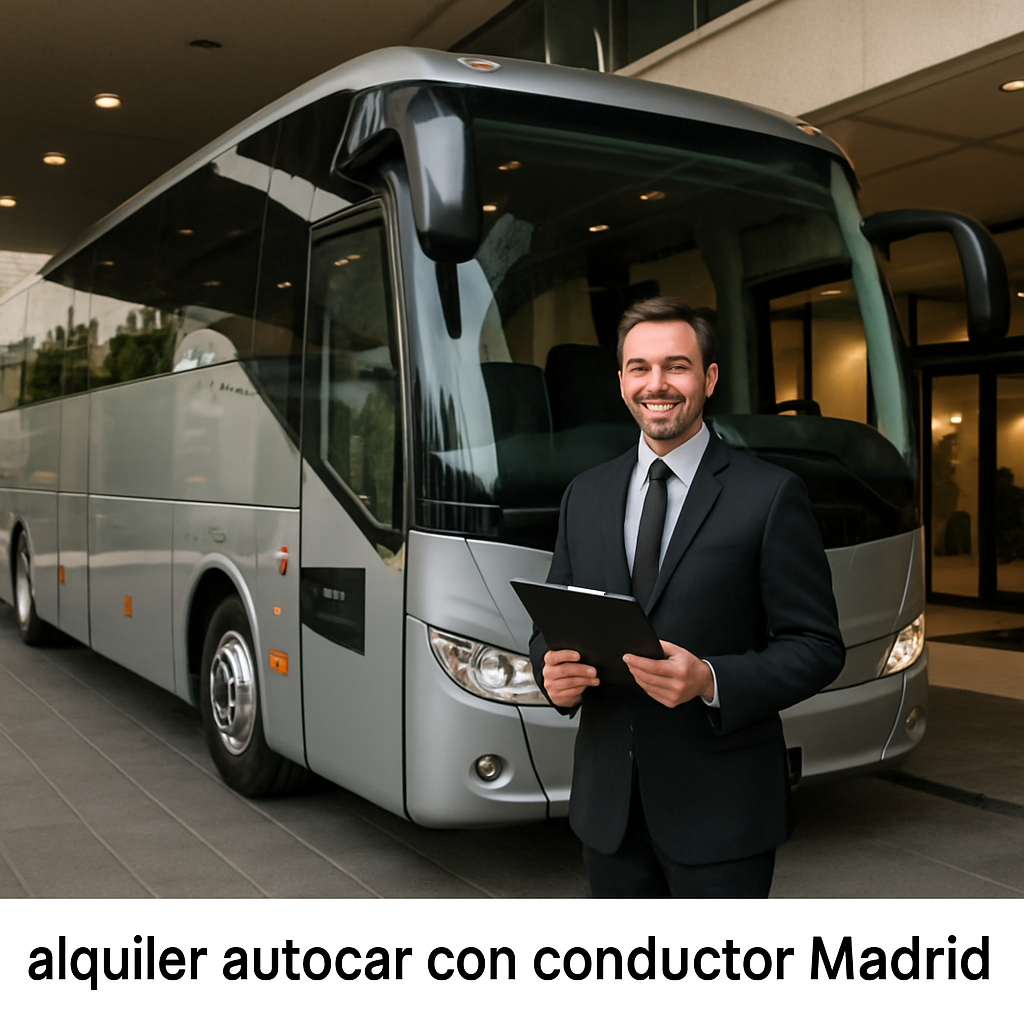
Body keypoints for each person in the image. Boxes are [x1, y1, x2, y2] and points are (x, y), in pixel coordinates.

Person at [530, 296, 845, 898]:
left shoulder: (770, 495)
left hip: (723, 815)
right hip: (609, 814)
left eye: (676, 366)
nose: (658, 384)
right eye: (640, 368)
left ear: (709, 377)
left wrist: (710, 680)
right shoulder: (585, 495)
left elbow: (818, 646)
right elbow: (555, 623)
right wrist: (552, 671)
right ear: (621, 381)